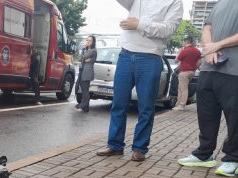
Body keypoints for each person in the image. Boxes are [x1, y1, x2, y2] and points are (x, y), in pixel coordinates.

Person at [96, 0, 183, 162]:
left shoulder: (175, 2)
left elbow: (168, 29)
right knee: (118, 103)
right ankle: (115, 145)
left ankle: (139, 148)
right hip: (126, 54)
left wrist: (139, 24)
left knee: (146, 107)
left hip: (150, 57)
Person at [178, 0, 238, 177]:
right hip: (209, 68)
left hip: (234, 71)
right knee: (206, 114)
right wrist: (209, 49)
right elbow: (207, 28)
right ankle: (204, 155)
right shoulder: (220, 3)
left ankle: (233, 158)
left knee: (235, 117)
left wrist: (218, 45)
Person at [173, 36, 201, 110]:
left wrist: (179, 53)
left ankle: (182, 105)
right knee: (180, 88)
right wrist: (194, 69)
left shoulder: (184, 51)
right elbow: (199, 62)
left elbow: (176, 61)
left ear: (185, 42)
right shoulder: (197, 51)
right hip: (192, 72)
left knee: (184, 89)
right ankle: (178, 104)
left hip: (184, 72)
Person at [75, 36, 97, 112]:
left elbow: (83, 57)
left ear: (93, 42)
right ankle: (86, 107)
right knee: (84, 89)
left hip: (87, 72)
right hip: (83, 71)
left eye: (90, 41)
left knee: (85, 90)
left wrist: (83, 59)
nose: (87, 42)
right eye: (87, 40)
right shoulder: (86, 50)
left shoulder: (93, 50)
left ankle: (82, 105)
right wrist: (84, 60)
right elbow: (80, 58)